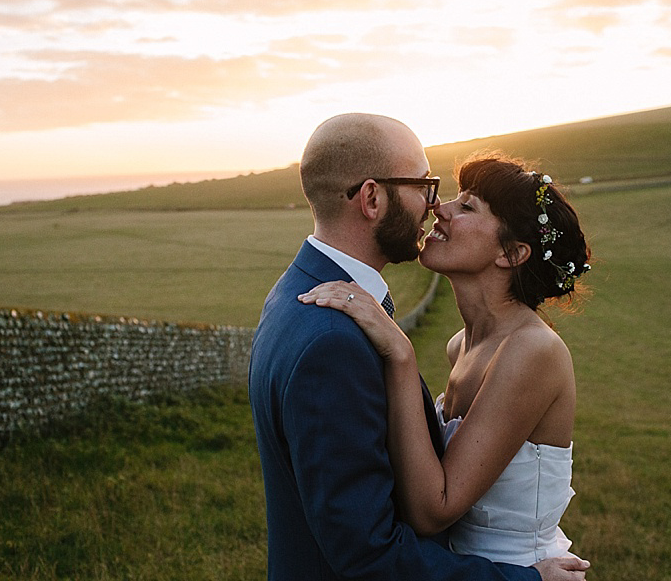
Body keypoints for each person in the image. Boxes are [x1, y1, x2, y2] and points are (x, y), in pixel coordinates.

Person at [249, 114, 590, 580]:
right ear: (372, 198)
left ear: (512, 254)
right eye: (425, 187)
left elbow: (428, 506)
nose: (438, 207)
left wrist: (402, 358)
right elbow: (370, 548)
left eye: (466, 206)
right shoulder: (338, 337)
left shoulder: (296, 294)